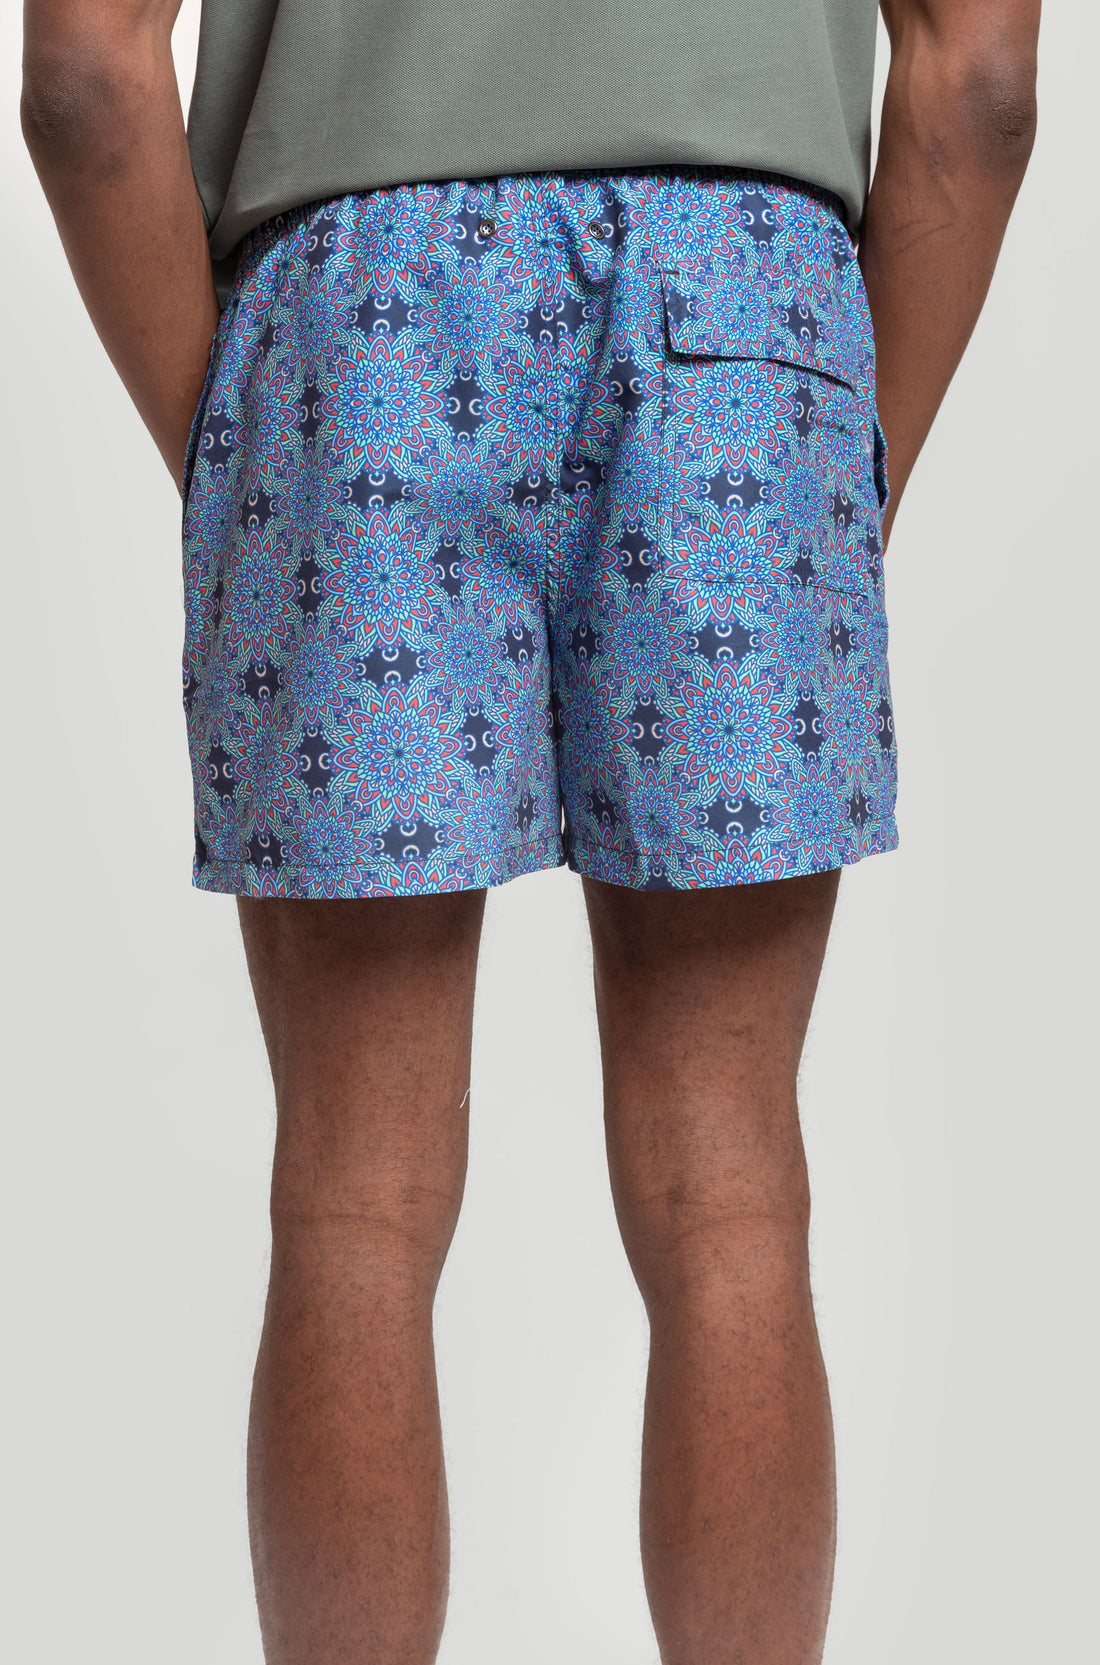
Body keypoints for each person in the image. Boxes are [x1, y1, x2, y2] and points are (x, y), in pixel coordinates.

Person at [21, 1, 1039, 1659]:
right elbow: (981, 78)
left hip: (356, 309)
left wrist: (254, 459)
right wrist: (836, 476)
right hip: (744, 312)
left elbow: (82, 77)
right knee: (732, 1194)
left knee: (351, 1201)